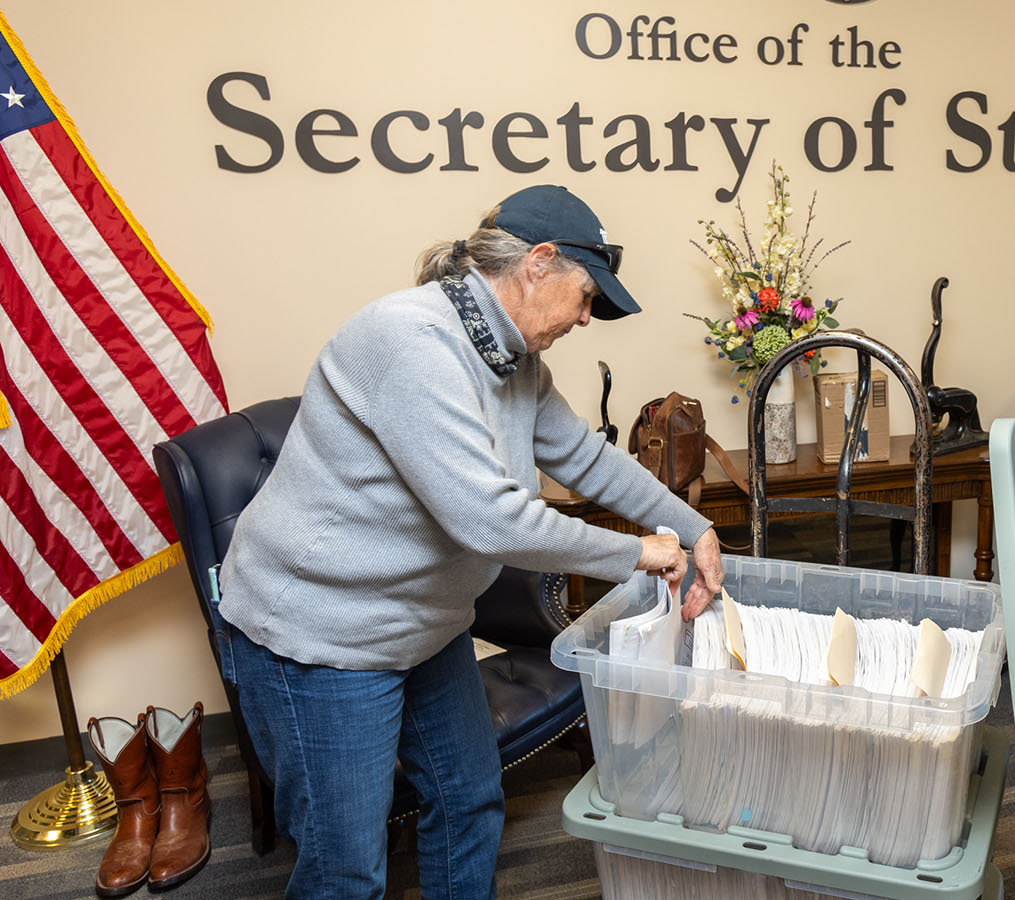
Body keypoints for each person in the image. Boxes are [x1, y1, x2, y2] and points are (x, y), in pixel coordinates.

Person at [216, 184, 723, 898]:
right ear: (538, 263)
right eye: (584, 297)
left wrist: (695, 525)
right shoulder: (409, 342)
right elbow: (492, 519)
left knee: (469, 802)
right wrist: (639, 554)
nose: (586, 318)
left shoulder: (514, 360)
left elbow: (583, 458)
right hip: (325, 636)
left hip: (426, 622)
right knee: (346, 869)